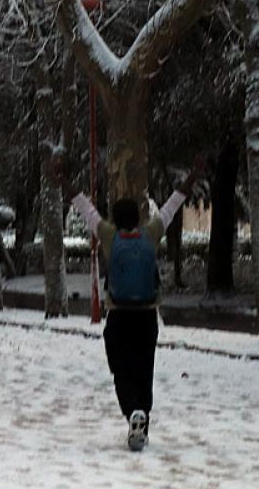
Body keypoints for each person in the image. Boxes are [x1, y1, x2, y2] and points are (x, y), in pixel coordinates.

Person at [72, 158, 204, 451]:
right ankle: (142, 420)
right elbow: (172, 205)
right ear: (138, 217)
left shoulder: (109, 236)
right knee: (144, 370)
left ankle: (132, 411)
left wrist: (64, 182)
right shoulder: (151, 233)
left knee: (122, 371)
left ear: (116, 220)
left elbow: (86, 210)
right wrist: (192, 176)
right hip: (146, 317)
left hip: (119, 317)